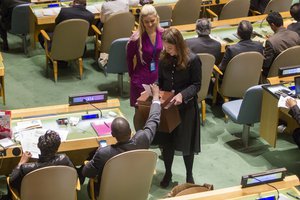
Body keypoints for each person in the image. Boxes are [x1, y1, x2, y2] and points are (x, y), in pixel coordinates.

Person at [82, 84, 161, 199]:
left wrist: (90, 161)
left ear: (113, 135)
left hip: (111, 193)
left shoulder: (103, 153)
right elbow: (154, 119)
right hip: (136, 188)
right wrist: (156, 97)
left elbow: (86, 173)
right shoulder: (142, 139)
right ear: (130, 131)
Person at [154, 28, 201, 188]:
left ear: (178, 45)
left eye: (170, 48)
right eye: (165, 47)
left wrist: (183, 95)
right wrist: (155, 90)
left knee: (187, 144)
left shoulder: (193, 60)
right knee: (167, 142)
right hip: (168, 108)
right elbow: (160, 80)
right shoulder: (163, 59)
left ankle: (189, 175)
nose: (167, 50)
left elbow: (197, 85)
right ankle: (168, 172)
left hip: (186, 108)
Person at [126, 4, 163, 129]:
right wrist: (131, 76)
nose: (150, 24)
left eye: (152, 21)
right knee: (140, 111)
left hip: (157, 78)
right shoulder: (136, 38)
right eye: (146, 22)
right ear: (141, 21)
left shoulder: (162, 33)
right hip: (140, 80)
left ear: (157, 18)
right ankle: (138, 137)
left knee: (156, 108)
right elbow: (129, 58)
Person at [9, 130, 74, 195]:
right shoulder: (64, 159)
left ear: (38, 146)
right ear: (57, 147)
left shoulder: (25, 168)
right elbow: (73, 177)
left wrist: (21, 163)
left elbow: (12, 183)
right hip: (59, 194)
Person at [263, 12, 300, 76]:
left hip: (277, 72)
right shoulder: (295, 35)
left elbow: (266, 64)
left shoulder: (271, 41)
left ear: (272, 25)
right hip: (295, 68)